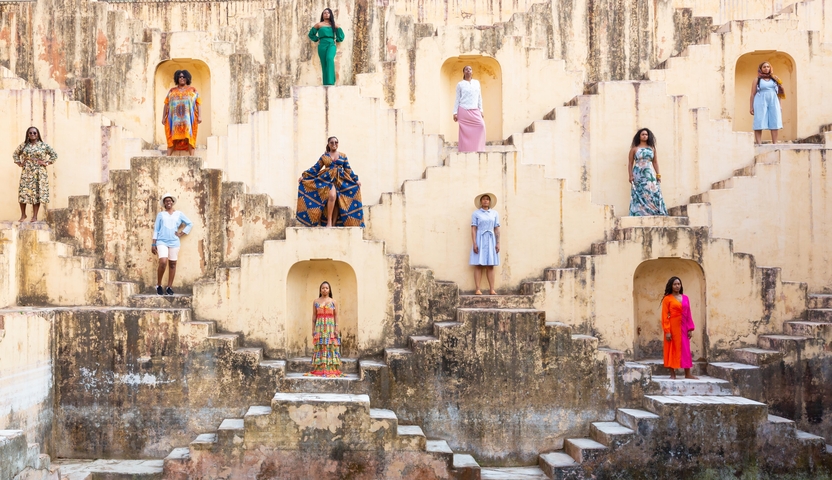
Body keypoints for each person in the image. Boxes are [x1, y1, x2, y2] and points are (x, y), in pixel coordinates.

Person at [296, 136, 364, 227]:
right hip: (328, 180)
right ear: (328, 144)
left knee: (337, 201)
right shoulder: (324, 156)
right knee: (332, 196)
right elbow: (316, 168)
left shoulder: (343, 156)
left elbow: (348, 169)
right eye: (332, 142)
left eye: (336, 142)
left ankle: (334, 222)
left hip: (340, 181)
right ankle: (329, 222)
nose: (334, 144)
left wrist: (356, 180)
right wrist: (304, 176)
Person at [151, 193, 193, 295]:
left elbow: (190, 223)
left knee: (173, 264)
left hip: (174, 241)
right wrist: (153, 244)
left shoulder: (179, 214)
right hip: (162, 241)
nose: (168, 202)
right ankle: (159, 285)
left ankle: (169, 287)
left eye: (170, 201)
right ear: (164, 204)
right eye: (166, 201)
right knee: (163, 262)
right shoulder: (161, 215)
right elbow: (156, 229)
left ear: (172, 202)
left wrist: (181, 233)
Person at [13, 126, 57, 222]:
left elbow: (54, 155)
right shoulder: (24, 145)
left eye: (34, 133)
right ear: (27, 135)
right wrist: (20, 163)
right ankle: (23, 215)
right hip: (27, 171)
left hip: (39, 172)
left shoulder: (43, 145)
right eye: (30, 133)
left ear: (38, 134)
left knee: (36, 193)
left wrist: (46, 163)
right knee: (23, 192)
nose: (32, 134)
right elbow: (15, 154)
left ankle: (35, 216)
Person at [306, 281, 344, 377]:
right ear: (320, 289)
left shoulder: (333, 301)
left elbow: (336, 316)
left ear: (329, 289)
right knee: (320, 345)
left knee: (330, 346)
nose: (325, 289)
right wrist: (313, 329)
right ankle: (320, 368)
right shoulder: (316, 301)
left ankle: (330, 369)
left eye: (326, 288)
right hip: (319, 327)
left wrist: (336, 328)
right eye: (323, 288)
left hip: (330, 327)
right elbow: (314, 316)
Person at [661, 276, 696, 380]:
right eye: (675, 284)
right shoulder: (667, 299)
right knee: (671, 348)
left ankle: (687, 373)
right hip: (672, 327)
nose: (677, 286)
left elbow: (688, 313)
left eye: (679, 284)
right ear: (671, 286)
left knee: (686, 349)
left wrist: (690, 328)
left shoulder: (685, 298)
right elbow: (664, 316)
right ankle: (672, 374)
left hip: (684, 326)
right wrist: (667, 331)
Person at [628, 128, 668, 216]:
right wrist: (630, 175)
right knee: (639, 191)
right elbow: (630, 163)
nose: (645, 136)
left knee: (652, 191)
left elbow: (655, 162)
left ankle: (653, 211)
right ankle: (639, 212)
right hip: (638, 173)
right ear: (639, 136)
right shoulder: (634, 149)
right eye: (643, 134)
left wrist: (658, 174)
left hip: (649, 172)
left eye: (646, 134)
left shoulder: (652, 149)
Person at [162, 70, 201, 155]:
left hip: (188, 119)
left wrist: (199, 116)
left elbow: (198, 103)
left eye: (184, 77)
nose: (182, 78)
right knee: (173, 138)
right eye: (180, 77)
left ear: (187, 78)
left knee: (189, 137)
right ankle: (167, 158)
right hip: (174, 120)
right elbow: (166, 104)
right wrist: (163, 117)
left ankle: (192, 158)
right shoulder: (172, 91)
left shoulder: (193, 90)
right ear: (177, 78)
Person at [470, 193, 500, 295]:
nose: (485, 201)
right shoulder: (476, 214)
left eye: (487, 199)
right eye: (483, 199)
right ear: (481, 201)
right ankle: (477, 289)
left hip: (491, 240)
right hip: (480, 238)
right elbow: (473, 229)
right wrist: (474, 243)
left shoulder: (494, 213)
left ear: (490, 201)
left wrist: (498, 243)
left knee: (490, 265)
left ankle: (492, 289)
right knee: (478, 264)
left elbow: (496, 228)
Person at [750, 61, 784, 144]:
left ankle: (775, 143)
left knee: (775, 120)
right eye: (764, 67)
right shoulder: (757, 80)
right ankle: (759, 143)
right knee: (759, 120)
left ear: (770, 68)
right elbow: (752, 94)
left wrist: (780, 105)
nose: (766, 68)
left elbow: (779, 93)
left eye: (768, 66)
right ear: (761, 69)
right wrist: (751, 107)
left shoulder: (775, 79)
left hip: (773, 100)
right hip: (761, 100)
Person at [453, 66, 486, 152]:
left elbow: (479, 97)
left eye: (470, 69)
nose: (468, 70)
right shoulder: (460, 84)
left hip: (475, 110)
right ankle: (464, 150)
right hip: (463, 110)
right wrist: (455, 112)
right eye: (466, 69)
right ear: (463, 72)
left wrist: (481, 110)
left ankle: (478, 149)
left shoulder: (476, 83)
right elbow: (457, 99)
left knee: (481, 126)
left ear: (472, 72)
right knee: (464, 132)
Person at [308, 8, 345, 86]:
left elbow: (341, 36)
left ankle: (331, 81)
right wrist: (316, 39)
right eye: (324, 13)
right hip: (322, 45)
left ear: (330, 14)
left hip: (331, 44)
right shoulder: (319, 24)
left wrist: (337, 39)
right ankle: (326, 83)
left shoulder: (334, 25)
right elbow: (311, 34)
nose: (326, 14)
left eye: (328, 13)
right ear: (322, 15)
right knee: (324, 63)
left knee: (329, 58)